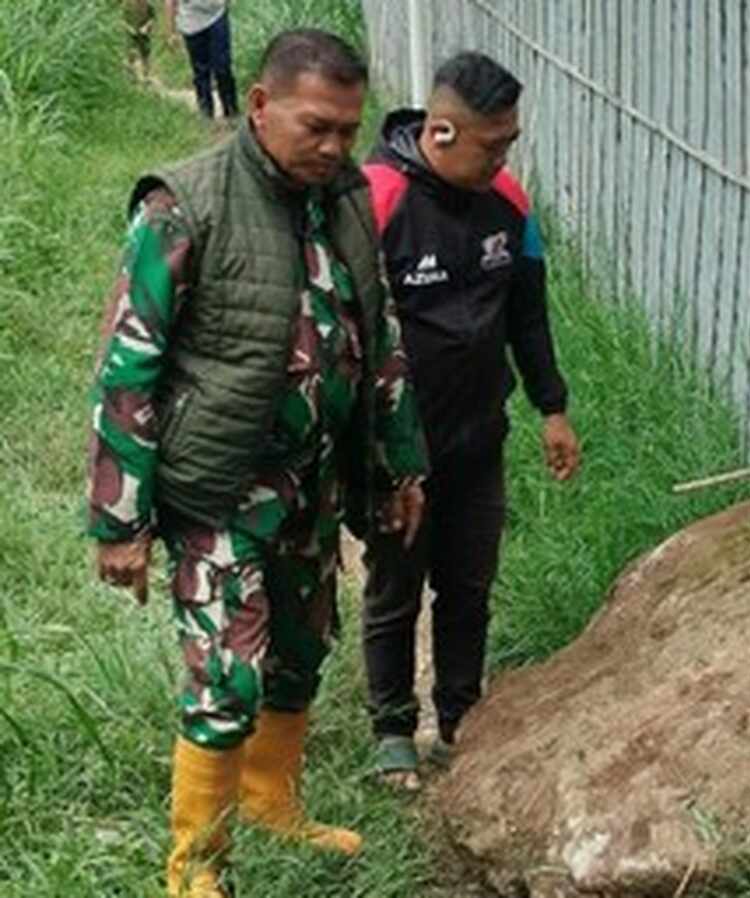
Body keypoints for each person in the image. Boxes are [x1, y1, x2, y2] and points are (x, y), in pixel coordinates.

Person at [86, 29, 427, 897]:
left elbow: (378, 336)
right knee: (225, 674)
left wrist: (397, 465)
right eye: (317, 126)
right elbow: (128, 366)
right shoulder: (183, 205)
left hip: (313, 484)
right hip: (219, 488)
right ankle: (196, 868)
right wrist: (119, 520)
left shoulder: (346, 196)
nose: (335, 147)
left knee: (302, 650)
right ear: (261, 105)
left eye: (349, 129)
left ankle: (275, 804)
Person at [360, 51, 581, 792]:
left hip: (480, 437)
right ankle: (392, 726)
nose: (505, 156)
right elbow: (342, 336)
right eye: (494, 143)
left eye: (512, 141)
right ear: (443, 131)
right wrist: (370, 451)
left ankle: (460, 715)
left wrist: (553, 408)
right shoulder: (377, 201)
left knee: (469, 584)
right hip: (399, 448)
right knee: (396, 587)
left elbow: (530, 313)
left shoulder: (510, 203)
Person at [164, 0, 238, 120]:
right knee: (201, 71)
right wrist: (170, 32)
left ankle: (231, 112)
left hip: (216, 15)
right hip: (191, 22)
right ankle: (206, 114)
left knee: (222, 67)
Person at [121, 0, 155, 83]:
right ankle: (130, 74)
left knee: (145, 55)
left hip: (144, 34)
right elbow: (122, 20)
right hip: (131, 34)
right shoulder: (127, 5)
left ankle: (146, 76)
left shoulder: (148, 5)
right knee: (131, 53)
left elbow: (152, 19)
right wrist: (129, 28)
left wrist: (146, 26)